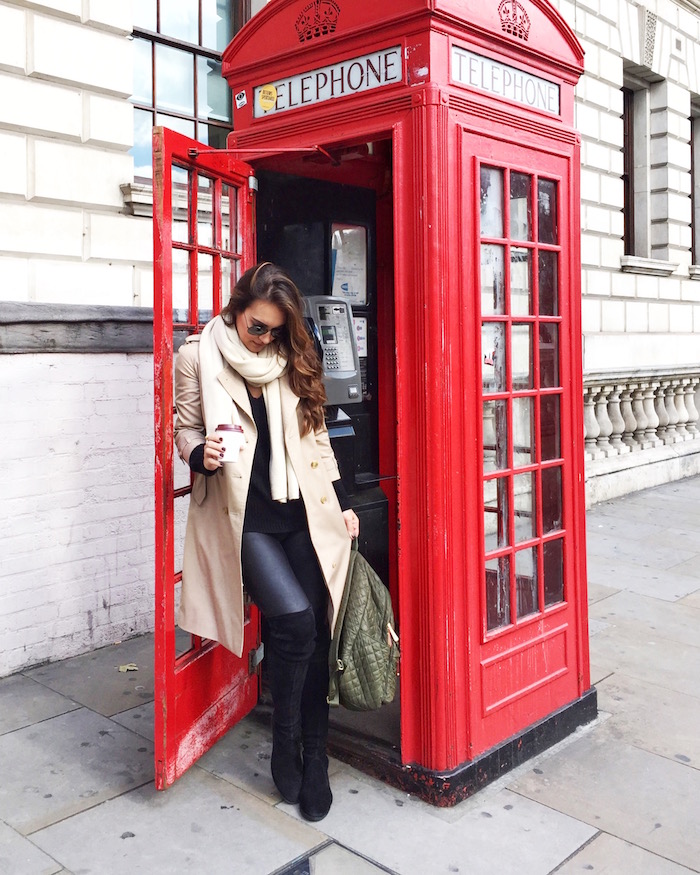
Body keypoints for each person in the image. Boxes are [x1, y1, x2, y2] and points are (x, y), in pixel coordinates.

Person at [174, 262, 359, 822]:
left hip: (301, 510)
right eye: (259, 328)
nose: (268, 339)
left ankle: (316, 758)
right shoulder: (197, 357)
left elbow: (317, 434)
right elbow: (180, 426)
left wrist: (342, 501)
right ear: (236, 311)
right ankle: (285, 745)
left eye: (277, 330)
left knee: (316, 630)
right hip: (244, 517)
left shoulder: (291, 358)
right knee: (295, 622)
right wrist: (196, 452)